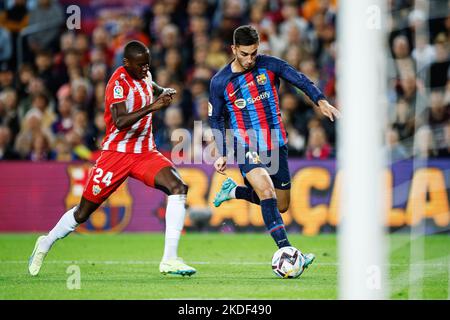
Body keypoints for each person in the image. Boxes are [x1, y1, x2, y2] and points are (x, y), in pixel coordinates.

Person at [28, 41, 196, 277]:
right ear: (126, 63)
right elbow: (119, 121)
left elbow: (151, 84)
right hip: (116, 155)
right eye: (140, 66)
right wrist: (153, 106)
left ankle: (170, 259)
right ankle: (45, 242)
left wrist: (163, 91)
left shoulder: (144, 73)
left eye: (147, 65)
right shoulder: (117, 84)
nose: (145, 69)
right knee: (83, 213)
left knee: (178, 187)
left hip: (145, 152)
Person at [209, 25, 340, 267]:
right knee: (266, 191)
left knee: (281, 205)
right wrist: (222, 150)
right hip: (244, 143)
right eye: (244, 54)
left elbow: (300, 79)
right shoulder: (220, 82)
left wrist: (319, 100)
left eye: (254, 53)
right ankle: (288, 252)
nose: (250, 59)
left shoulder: (270, 65)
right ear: (234, 49)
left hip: (275, 143)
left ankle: (234, 191)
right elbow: (215, 118)